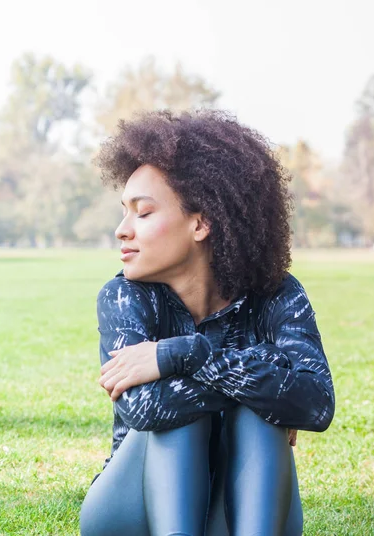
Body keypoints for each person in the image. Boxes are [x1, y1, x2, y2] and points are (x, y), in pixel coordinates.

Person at [79, 109, 335, 536]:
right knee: (204, 411)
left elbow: (317, 403)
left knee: (257, 414)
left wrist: (183, 354)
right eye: (124, 212)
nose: (122, 230)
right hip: (132, 512)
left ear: (201, 223)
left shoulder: (277, 294)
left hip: (243, 516)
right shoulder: (123, 294)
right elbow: (144, 408)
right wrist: (263, 379)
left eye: (142, 213)